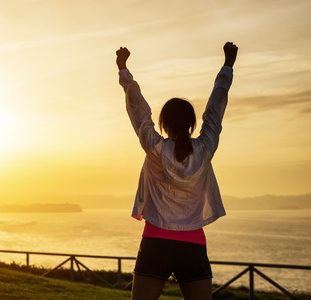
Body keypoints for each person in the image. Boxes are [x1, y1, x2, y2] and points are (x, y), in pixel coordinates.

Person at [116, 42, 238, 300]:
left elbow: (139, 111)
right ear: (192, 124)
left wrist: (124, 70)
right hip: (193, 245)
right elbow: (215, 111)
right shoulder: (205, 149)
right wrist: (227, 65)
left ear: (163, 123)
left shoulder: (155, 147)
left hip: (155, 241)